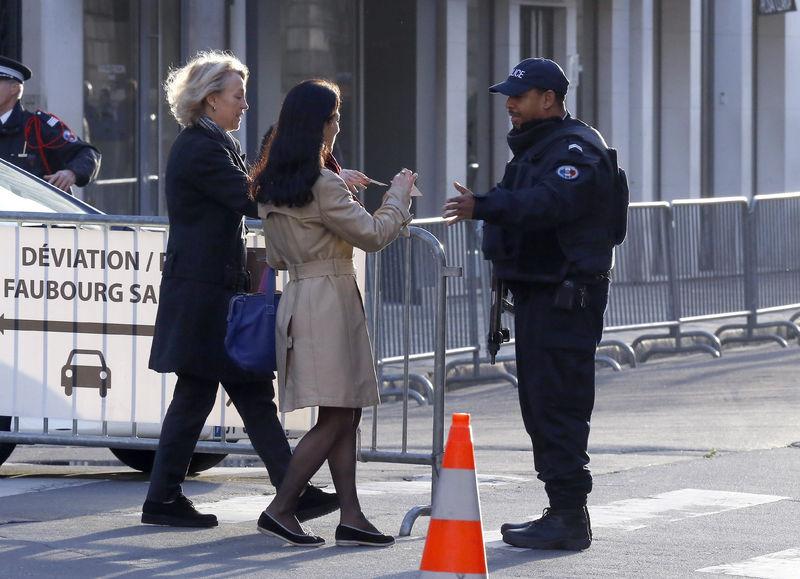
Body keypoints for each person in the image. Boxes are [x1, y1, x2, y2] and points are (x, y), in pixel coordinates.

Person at [142, 51, 338, 528]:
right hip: (203, 293)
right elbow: (250, 196)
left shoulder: (214, 142)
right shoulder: (201, 148)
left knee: (242, 392)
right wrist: (306, 172)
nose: (244, 104)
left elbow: (252, 190)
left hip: (212, 290)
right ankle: (168, 498)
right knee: (211, 394)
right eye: (237, 96)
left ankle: (288, 488)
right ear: (210, 101)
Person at [444, 58, 627, 551]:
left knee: (559, 405)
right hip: (540, 296)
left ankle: (569, 515)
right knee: (542, 405)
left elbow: (551, 204)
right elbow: (520, 203)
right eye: (508, 96)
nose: (509, 105)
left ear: (548, 99)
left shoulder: (574, 149)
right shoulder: (536, 149)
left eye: (518, 97)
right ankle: (563, 511)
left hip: (565, 298)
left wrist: (484, 206)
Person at [251, 79, 414, 547]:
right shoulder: (321, 184)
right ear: (321, 126)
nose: (338, 126)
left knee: (344, 411)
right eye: (335, 118)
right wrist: (399, 194)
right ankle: (282, 508)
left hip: (303, 292)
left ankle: (352, 515)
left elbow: (286, 251)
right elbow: (374, 234)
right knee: (339, 415)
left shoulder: (274, 182)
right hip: (328, 298)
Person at [0, 56, 101, 192]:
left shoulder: (38, 126)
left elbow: (87, 153)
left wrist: (71, 173)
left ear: (14, 88)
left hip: (33, 210)